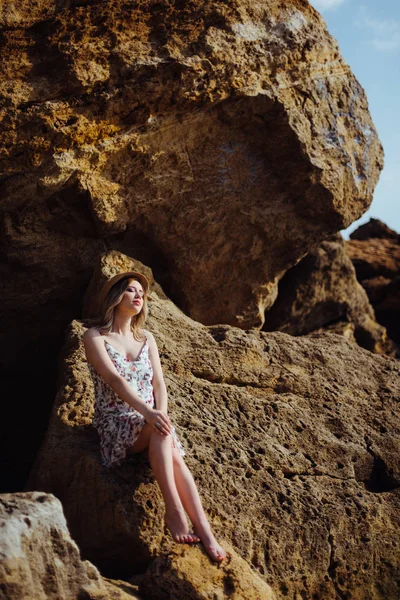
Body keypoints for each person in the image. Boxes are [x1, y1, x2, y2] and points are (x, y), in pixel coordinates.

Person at [83, 271, 226, 562]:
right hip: (116, 419)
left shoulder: (147, 338)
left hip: (150, 419)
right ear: (115, 297)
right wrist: (149, 412)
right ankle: (174, 510)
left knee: (168, 440)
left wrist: (159, 412)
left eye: (141, 293)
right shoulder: (94, 336)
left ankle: (205, 533)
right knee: (161, 430)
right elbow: (114, 381)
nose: (139, 296)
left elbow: (159, 383)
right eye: (131, 290)